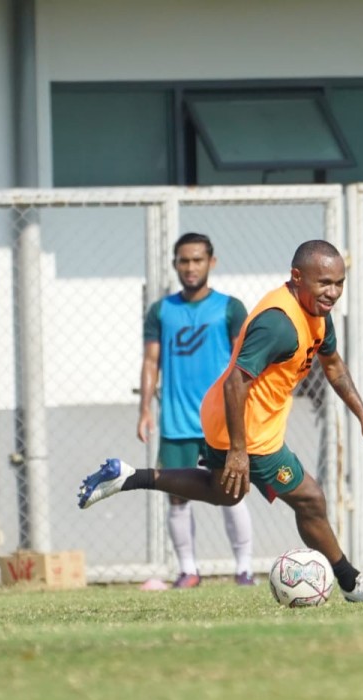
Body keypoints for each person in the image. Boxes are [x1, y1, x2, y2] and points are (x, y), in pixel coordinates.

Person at [80, 239, 363, 603]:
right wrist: (239, 449)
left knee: (226, 493)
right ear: (297, 277)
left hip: (229, 415)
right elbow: (237, 379)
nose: (333, 292)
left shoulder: (317, 312)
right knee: (310, 499)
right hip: (246, 427)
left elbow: (334, 365)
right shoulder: (279, 324)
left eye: (339, 283)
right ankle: (351, 581)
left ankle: (128, 477)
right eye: (324, 283)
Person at [138, 232, 257, 588]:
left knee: (231, 492)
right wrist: (144, 409)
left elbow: (246, 361)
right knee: (176, 497)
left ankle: (244, 570)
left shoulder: (230, 308)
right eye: (184, 261)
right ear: (175, 264)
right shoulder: (161, 310)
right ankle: (188, 570)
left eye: (197, 260)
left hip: (220, 421)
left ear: (212, 262)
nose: (190, 267)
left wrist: (249, 408)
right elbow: (150, 361)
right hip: (176, 422)